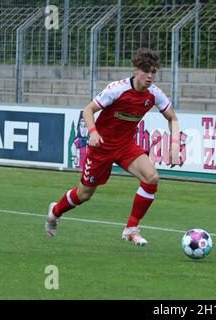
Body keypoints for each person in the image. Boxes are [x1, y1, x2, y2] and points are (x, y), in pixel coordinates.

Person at [46, 48, 180, 246]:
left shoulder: (154, 94)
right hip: (101, 147)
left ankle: (131, 228)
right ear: (136, 70)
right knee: (84, 194)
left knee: (152, 177)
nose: (150, 76)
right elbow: (88, 110)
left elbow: (173, 118)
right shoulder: (117, 89)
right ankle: (55, 212)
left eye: (153, 72)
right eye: (146, 71)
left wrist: (175, 146)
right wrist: (93, 132)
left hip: (125, 146)